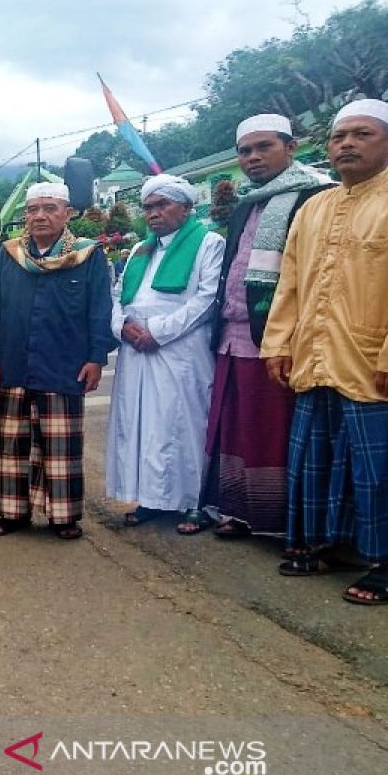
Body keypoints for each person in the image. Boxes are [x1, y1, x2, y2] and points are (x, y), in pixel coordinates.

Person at [260, 98, 388, 605]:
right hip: (316, 356)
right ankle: (326, 543)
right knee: (319, 457)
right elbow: (290, 284)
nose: (346, 143)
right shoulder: (315, 206)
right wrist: (278, 343)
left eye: (361, 134)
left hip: (375, 359)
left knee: (380, 466)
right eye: (338, 136)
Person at [201, 114, 332, 540]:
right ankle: (241, 512)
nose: (253, 157)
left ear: (290, 147)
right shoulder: (246, 202)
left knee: (277, 429)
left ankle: (284, 522)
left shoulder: (318, 196)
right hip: (234, 336)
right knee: (236, 428)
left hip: (282, 337)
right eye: (245, 151)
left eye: (264, 147)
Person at [0, 183, 116, 541]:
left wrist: (96, 358)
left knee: (61, 446)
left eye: (50, 208)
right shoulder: (9, 255)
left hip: (64, 363)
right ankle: (12, 514)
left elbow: (100, 310)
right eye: (34, 209)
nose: (40, 216)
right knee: (11, 445)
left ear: (67, 213)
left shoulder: (88, 256)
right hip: (13, 364)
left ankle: (63, 517)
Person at [106, 174, 225, 528]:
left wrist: (157, 332)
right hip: (135, 349)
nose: (153, 213)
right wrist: (121, 326)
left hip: (180, 350)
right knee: (141, 424)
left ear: (187, 208)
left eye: (162, 205)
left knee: (183, 424)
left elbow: (206, 300)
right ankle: (152, 498)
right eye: (148, 207)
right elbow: (116, 296)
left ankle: (195, 503)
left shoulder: (209, 243)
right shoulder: (139, 250)